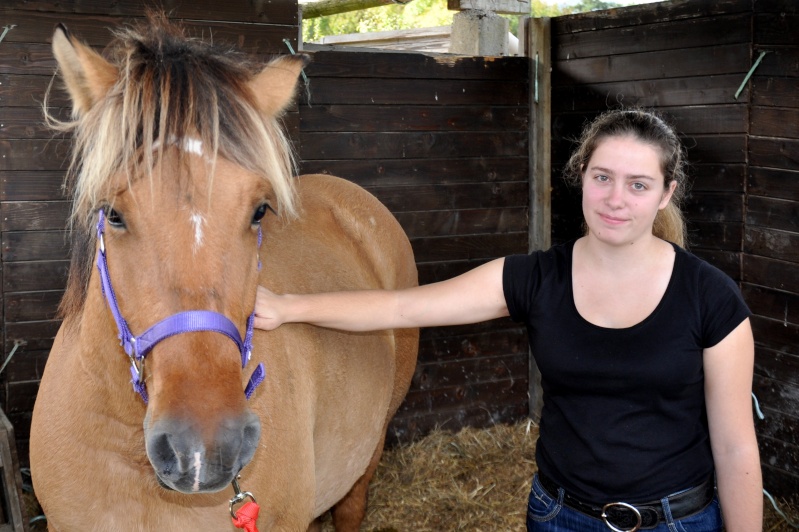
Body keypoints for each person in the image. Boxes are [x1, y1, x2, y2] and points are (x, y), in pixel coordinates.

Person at [253, 109, 763, 531]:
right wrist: (289, 307)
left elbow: (736, 444)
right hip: (561, 517)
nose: (615, 199)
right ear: (580, 176)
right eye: (602, 177)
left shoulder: (710, 298)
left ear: (666, 193)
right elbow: (402, 307)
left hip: (678, 521)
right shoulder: (536, 278)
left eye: (638, 184)